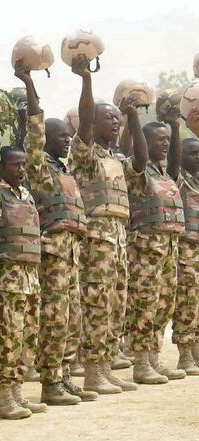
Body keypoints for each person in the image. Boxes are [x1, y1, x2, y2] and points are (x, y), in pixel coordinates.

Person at [21, 69, 97, 405]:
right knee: (52, 317)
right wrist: (29, 83)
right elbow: (33, 130)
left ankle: (64, 376)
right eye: (61, 136)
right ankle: (50, 381)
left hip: (72, 255)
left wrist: (86, 81)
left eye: (68, 135)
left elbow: (87, 131)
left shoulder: (68, 171)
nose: (67, 140)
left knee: (71, 317)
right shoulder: (40, 168)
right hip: (52, 255)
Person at [68, 56, 134, 394]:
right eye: (109, 119)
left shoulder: (115, 159)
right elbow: (85, 125)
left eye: (118, 120)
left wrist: (132, 114)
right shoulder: (84, 154)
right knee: (96, 303)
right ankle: (93, 371)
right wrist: (86, 81)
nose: (116, 124)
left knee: (115, 303)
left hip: (118, 239)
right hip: (96, 239)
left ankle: (106, 366)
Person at [0, 105, 48, 420]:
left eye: (23, 164)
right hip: (7, 280)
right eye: (15, 165)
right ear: (0, 167)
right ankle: (4, 397)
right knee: (6, 340)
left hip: (29, 278)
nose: (21, 169)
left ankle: (17, 393)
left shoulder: (24, 193)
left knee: (26, 337)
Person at [124, 112, 186, 383]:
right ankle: (140, 362)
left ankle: (154, 358)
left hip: (169, 248)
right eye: (159, 139)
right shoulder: (138, 171)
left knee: (163, 305)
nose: (165, 144)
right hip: (146, 249)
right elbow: (136, 154)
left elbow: (175, 163)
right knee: (144, 304)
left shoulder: (166, 174)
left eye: (168, 140)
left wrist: (175, 125)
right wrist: (134, 117)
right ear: (145, 142)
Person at [173, 138, 199, 375]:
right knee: (186, 301)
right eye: (193, 153)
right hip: (187, 249)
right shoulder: (179, 180)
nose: (198, 157)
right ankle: (185, 354)